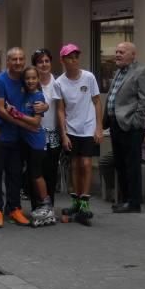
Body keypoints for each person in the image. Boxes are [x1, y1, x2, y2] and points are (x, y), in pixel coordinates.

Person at [54, 44, 102, 222]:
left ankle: (85, 202)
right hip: (71, 127)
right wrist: (64, 134)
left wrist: (98, 127)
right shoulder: (59, 82)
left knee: (86, 163)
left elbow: (97, 102)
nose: (73, 60)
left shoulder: (89, 77)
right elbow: (60, 109)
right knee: (75, 165)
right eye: (69, 57)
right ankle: (75, 200)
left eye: (76, 57)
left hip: (88, 127)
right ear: (63, 60)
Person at [104, 41, 145, 213]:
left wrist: (135, 122)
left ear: (133, 55)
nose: (117, 54)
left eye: (122, 52)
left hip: (131, 126)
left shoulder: (142, 71)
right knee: (120, 164)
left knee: (131, 165)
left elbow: (144, 100)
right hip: (116, 125)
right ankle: (125, 199)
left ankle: (134, 202)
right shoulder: (118, 72)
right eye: (116, 51)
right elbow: (113, 97)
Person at [0, 47, 35, 228]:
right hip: (0, 136)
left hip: (19, 138)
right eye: (14, 59)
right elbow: (0, 110)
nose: (17, 62)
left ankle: (15, 208)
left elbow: (36, 96)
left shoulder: (26, 79)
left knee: (15, 174)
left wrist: (43, 107)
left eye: (20, 59)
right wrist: (23, 124)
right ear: (7, 62)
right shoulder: (0, 81)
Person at [16, 67, 55, 226]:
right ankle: (40, 206)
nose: (30, 81)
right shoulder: (24, 94)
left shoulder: (38, 96)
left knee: (37, 174)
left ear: (38, 79)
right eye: (27, 78)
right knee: (31, 175)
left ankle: (47, 205)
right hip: (26, 141)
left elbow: (35, 122)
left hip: (37, 142)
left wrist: (16, 115)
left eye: (33, 78)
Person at [32, 48, 60, 208]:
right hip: (35, 133)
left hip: (53, 133)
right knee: (36, 172)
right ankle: (37, 206)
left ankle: (50, 207)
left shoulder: (58, 83)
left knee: (51, 171)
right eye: (40, 62)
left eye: (46, 61)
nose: (43, 64)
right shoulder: (31, 83)